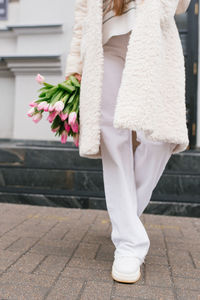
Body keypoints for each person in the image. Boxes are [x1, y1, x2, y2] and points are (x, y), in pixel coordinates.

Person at [65, 0, 191, 284]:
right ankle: (129, 245)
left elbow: (181, 6)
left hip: (152, 44)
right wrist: (75, 66)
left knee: (161, 137)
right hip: (105, 48)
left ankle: (124, 217)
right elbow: (83, 13)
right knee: (113, 138)